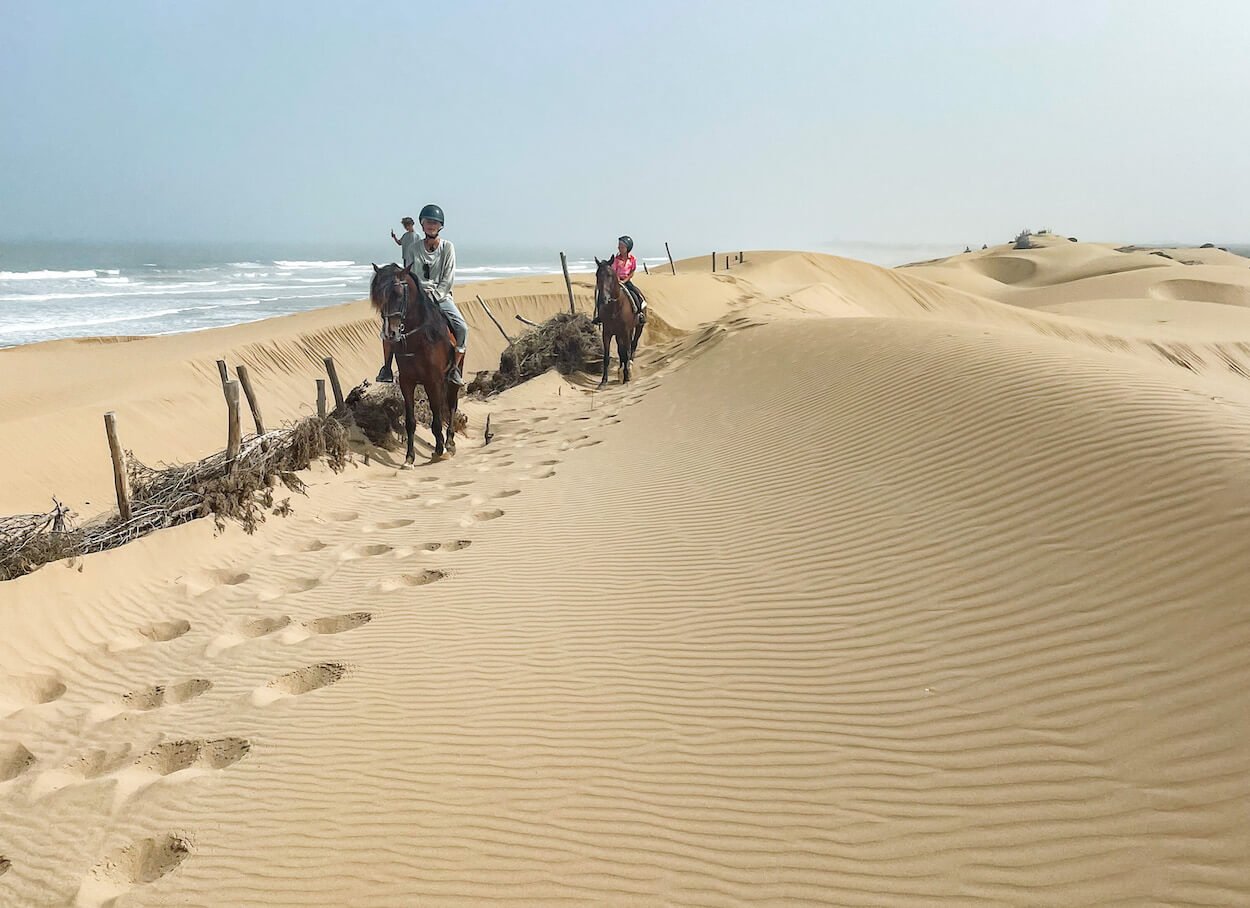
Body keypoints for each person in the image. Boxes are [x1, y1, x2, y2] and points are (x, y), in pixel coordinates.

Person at [413, 203, 467, 385]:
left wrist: (435, 295)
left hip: (441, 297)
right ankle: (387, 368)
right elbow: (412, 274)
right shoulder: (414, 248)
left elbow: (448, 276)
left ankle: (455, 369)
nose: (431, 225)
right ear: (422, 224)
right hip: (419, 297)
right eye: (428, 222)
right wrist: (420, 294)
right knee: (393, 326)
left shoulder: (447, 247)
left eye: (434, 223)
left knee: (461, 328)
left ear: (440, 226)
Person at [594, 235, 646, 325]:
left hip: (626, 280)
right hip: (615, 281)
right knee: (601, 295)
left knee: (637, 294)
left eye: (622, 246)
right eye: (619, 246)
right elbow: (613, 271)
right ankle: (600, 316)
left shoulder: (632, 259)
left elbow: (632, 271)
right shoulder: (616, 259)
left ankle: (640, 314)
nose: (619, 248)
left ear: (627, 248)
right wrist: (617, 280)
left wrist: (625, 280)